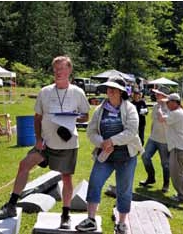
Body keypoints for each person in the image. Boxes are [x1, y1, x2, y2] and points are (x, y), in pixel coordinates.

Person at [0, 56, 90, 230]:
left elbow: (86, 115)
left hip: (67, 144)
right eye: (55, 69)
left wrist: (73, 117)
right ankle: (11, 206)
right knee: (24, 165)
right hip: (45, 143)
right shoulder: (45, 92)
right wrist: (38, 139)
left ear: (69, 71)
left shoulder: (77, 92)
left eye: (61, 68)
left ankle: (65, 215)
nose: (58, 72)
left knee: (66, 178)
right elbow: (37, 118)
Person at [75, 76, 143, 234]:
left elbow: (132, 132)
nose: (109, 91)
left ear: (121, 92)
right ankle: (91, 219)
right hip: (105, 155)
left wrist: (111, 141)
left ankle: (121, 223)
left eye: (113, 88)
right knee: (94, 183)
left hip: (126, 156)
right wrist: (101, 143)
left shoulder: (130, 108)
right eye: (108, 88)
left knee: (124, 190)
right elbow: (91, 132)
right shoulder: (100, 109)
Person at [158, 93, 183, 203]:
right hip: (181, 146)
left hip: (177, 147)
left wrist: (159, 107)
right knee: (181, 172)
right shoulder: (178, 112)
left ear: (174, 102)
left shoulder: (176, 113)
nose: (166, 104)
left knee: (176, 174)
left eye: (168, 102)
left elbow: (161, 118)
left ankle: (182, 196)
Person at [139, 87, 171, 193]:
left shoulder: (171, 108)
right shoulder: (156, 106)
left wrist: (162, 107)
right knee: (145, 156)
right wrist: (151, 133)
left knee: (165, 164)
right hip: (153, 138)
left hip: (165, 140)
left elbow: (163, 120)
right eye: (156, 94)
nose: (156, 96)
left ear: (165, 96)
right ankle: (151, 178)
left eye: (159, 94)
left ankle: (166, 184)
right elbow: (154, 121)